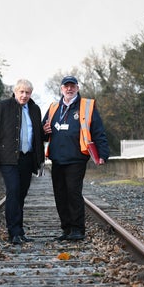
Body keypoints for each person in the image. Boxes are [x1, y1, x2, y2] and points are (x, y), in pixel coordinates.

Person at [42, 75, 109, 241]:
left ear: (77, 88)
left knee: (73, 193)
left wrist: (103, 154)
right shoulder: (53, 108)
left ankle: (77, 229)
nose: (69, 89)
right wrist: (44, 131)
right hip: (57, 158)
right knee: (60, 194)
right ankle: (66, 229)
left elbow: (98, 131)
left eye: (72, 86)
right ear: (61, 89)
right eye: (66, 86)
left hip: (77, 157)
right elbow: (43, 132)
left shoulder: (87, 106)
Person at [0, 79, 45, 245]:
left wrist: (40, 159)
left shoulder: (35, 109)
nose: (24, 95)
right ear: (15, 92)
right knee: (13, 191)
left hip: (27, 158)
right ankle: (14, 232)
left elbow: (37, 135)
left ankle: (20, 231)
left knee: (21, 195)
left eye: (28, 92)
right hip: (8, 159)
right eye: (21, 92)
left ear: (31, 94)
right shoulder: (1, 107)